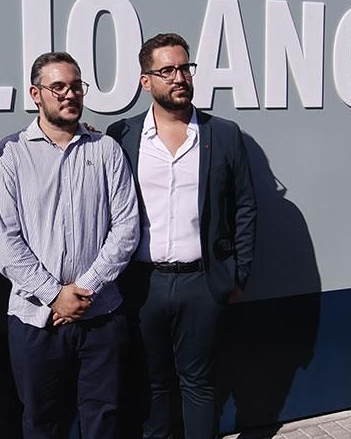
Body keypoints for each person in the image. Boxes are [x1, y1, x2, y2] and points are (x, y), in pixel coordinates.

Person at [106, 32, 258, 439]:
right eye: (167, 70)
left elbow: (245, 207)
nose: (179, 77)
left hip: (202, 282)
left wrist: (238, 274)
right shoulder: (121, 135)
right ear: (146, 81)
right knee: (152, 384)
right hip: (142, 282)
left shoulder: (222, 134)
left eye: (184, 68)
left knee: (200, 384)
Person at [0, 52, 140, 439]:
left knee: (103, 419)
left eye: (75, 86)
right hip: (36, 318)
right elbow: (3, 240)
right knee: (41, 422)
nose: (69, 94)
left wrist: (82, 291)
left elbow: (126, 227)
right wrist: (54, 295)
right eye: (58, 87)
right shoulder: (10, 155)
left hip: (101, 313)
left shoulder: (105, 150)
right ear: (36, 94)